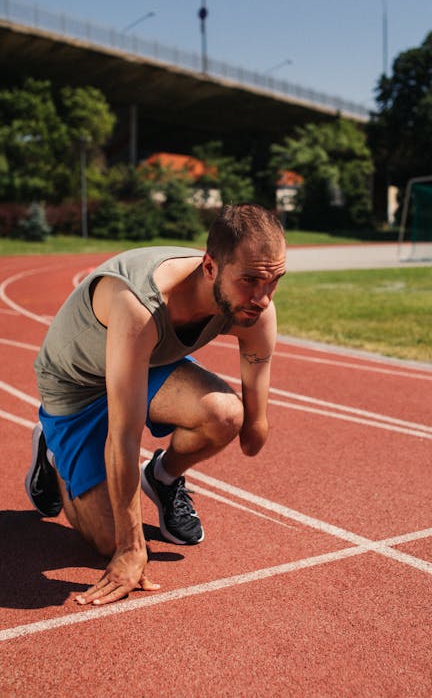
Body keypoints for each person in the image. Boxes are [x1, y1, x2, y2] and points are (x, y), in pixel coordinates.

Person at [26, 204, 286, 606]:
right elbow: (123, 437)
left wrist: (253, 426)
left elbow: (253, 418)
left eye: (274, 281)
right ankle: (53, 451)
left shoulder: (254, 308)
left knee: (226, 415)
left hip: (144, 363)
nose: (263, 298)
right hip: (76, 386)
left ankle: (162, 478)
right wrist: (131, 548)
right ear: (211, 267)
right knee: (107, 541)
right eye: (250, 280)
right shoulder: (140, 303)